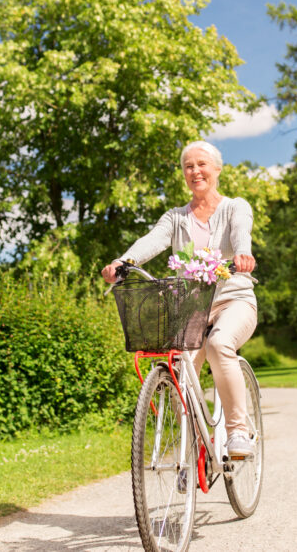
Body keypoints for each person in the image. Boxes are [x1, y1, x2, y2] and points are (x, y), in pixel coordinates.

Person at [101, 140, 258, 456]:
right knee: (177, 366)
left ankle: (239, 431)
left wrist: (242, 254)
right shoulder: (175, 218)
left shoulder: (235, 207)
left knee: (218, 344)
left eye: (202, 164)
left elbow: (242, 234)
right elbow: (152, 241)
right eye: (189, 166)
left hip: (234, 301)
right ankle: (193, 446)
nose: (195, 171)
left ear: (216, 169)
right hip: (193, 305)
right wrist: (123, 262)